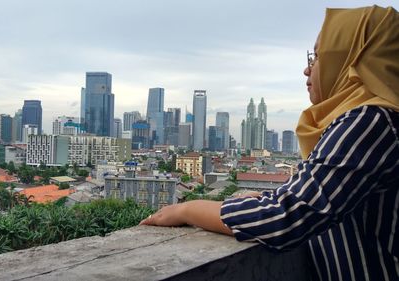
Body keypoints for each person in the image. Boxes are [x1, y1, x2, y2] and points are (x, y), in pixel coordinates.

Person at [140, 5, 399, 281]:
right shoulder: (370, 120)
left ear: (349, 59)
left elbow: (285, 219)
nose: (306, 69)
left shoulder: (371, 121)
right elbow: (318, 194)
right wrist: (264, 199)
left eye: (318, 56)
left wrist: (186, 209)